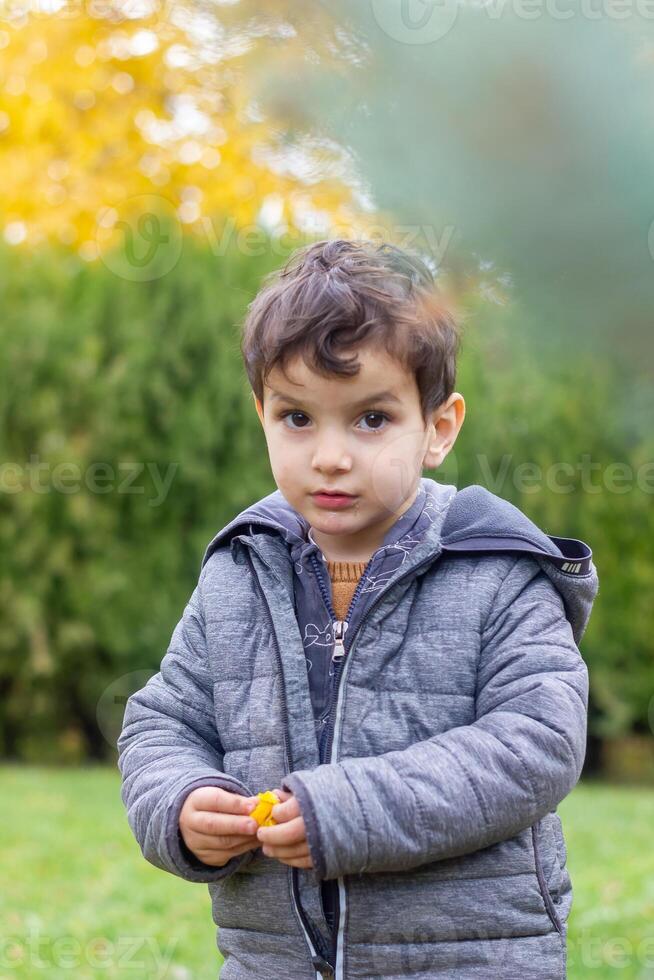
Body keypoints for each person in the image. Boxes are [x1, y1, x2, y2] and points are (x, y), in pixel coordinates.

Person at [117, 239, 599, 979]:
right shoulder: (242, 569)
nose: (330, 456)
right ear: (263, 416)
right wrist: (183, 804)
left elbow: (536, 742)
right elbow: (164, 721)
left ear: (438, 427)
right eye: (298, 418)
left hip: (468, 959)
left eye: (371, 419)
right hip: (275, 962)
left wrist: (348, 811)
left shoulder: (496, 566)